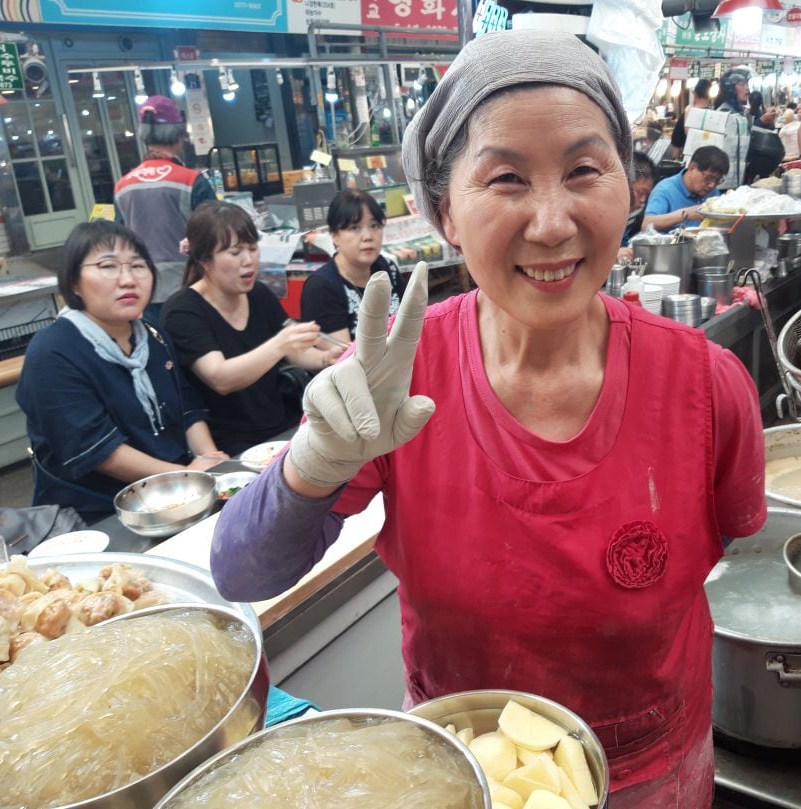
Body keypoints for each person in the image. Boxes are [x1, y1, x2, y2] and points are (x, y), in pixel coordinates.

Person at [209, 29, 766, 808]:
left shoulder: (706, 385)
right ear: (446, 212)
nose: (550, 223)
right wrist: (314, 461)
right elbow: (238, 573)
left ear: (629, 189)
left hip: (655, 776)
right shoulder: (395, 378)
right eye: (506, 179)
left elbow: (730, 540)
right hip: (461, 776)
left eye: (583, 170)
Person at [16, 220, 227, 521]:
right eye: (108, 266)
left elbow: (186, 407)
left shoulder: (153, 336)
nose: (128, 279)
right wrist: (186, 476)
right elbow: (100, 452)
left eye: (138, 266)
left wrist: (208, 458)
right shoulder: (52, 353)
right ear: (74, 281)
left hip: (177, 492)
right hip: (96, 511)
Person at [162, 202, 340, 456]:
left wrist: (324, 358)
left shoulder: (259, 293)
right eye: (235, 252)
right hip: (231, 444)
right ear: (204, 260)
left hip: (284, 427)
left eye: (253, 249)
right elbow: (220, 378)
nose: (248, 261)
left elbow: (293, 352)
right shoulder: (182, 310)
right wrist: (279, 343)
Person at [114, 96, 217, 324]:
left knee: (162, 348)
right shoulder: (192, 180)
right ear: (178, 136)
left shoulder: (123, 185)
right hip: (192, 284)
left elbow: (119, 238)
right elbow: (218, 231)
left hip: (145, 285)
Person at [300, 190, 406, 345]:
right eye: (355, 228)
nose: (368, 236)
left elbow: (411, 322)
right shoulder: (321, 287)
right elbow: (341, 358)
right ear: (335, 236)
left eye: (374, 225)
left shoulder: (386, 268)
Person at [642, 145, 728, 233]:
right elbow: (646, 224)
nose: (712, 185)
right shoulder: (665, 189)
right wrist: (685, 214)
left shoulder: (712, 192)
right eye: (709, 178)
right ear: (692, 168)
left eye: (718, 180)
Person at [712, 68, 751, 190]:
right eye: (742, 84)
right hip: (721, 185)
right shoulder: (722, 115)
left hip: (737, 184)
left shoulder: (741, 115)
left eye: (747, 84)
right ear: (730, 88)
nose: (747, 89)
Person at [669, 78, 712, 159]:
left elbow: (676, 140)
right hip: (707, 160)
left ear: (695, 94)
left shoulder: (687, 113)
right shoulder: (714, 116)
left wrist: (675, 159)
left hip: (688, 159)